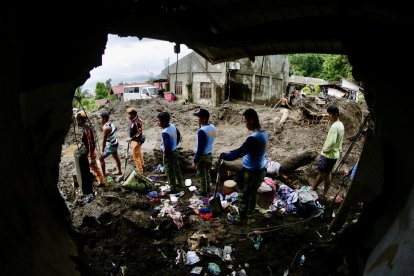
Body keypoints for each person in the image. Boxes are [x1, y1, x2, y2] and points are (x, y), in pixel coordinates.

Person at [219, 108, 268, 224]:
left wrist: (224, 156)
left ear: (251, 120)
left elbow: (239, 153)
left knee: (244, 195)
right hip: (260, 169)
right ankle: (251, 211)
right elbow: (244, 149)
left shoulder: (253, 138)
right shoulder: (263, 133)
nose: (245, 125)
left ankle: (241, 219)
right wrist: (232, 151)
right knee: (252, 192)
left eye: (245, 122)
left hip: (252, 172)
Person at [312, 105, 345, 198]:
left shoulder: (334, 126)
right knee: (328, 173)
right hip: (335, 154)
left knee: (321, 173)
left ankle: (313, 189)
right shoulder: (341, 125)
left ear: (336, 114)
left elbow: (332, 141)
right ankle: (324, 194)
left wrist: (324, 150)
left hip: (328, 154)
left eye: (330, 114)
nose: (329, 116)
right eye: (328, 114)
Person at [76, 111, 106, 187]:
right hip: (90, 151)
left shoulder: (87, 130)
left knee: (94, 166)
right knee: (94, 166)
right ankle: (99, 179)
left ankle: (102, 182)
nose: (77, 121)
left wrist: (91, 156)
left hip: (91, 151)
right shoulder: (85, 128)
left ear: (81, 120)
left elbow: (91, 143)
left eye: (78, 119)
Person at [157, 112, 183, 193]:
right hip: (175, 150)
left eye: (159, 121)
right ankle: (180, 183)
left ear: (164, 122)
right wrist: (176, 144)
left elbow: (167, 145)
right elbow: (178, 135)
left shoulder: (165, 132)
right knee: (177, 168)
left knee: (170, 171)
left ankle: (173, 188)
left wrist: (166, 154)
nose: (158, 123)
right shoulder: (172, 125)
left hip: (170, 154)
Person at [192, 108, 216, 196]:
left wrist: (195, 161)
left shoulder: (201, 131)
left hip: (202, 156)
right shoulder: (212, 127)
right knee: (207, 173)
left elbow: (200, 148)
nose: (197, 120)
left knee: (202, 175)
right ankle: (208, 188)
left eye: (199, 118)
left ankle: (203, 191)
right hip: (209, 153)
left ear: (204, 119)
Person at [99, 112, 122, 176]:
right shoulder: (111, 123)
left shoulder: (106, 128)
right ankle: (120, 171)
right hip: (115, 143)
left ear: (104, 119)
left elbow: (104, 140)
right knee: (116, 157)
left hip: (111, 146)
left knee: (101, 158)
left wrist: (102, 151)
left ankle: (104, 174)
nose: (99, 120)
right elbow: (115, 129)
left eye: (100, 118)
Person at [127, 107, 145, 174]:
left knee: (136, 157)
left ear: (133, 114)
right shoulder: (135, 120)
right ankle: (142, 166)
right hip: (136, 140)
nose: (128, 116)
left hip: (136, 141)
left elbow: (139, 133)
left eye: (129, 114)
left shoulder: (136, 122)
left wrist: (131, 138)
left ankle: (140, 172)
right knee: (139, 154)